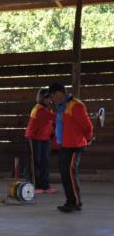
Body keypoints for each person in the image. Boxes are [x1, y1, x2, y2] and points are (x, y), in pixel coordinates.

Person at [47, 82, 94, 213]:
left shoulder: (76, 105)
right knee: (64, 174)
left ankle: (76, 202)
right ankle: (70, 201)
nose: (52, 99)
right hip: (65, 145)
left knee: (70, 173)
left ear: (60, 93)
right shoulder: (62, 107)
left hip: (75, 145)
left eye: (53, 96)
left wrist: (88, 138)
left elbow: (87, 126)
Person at [25, 88, 56, 194]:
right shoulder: (39, 109)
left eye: (49, 97)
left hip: (44, 138)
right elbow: (53, 118)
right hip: (34, 138)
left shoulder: (48, 109)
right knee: (35, 162)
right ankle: (34, 185)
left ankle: (45, 186)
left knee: (45, 162)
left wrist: (52, 133)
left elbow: (50, 123)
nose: (49, 100)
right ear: (41, 98)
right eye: (47, 97)